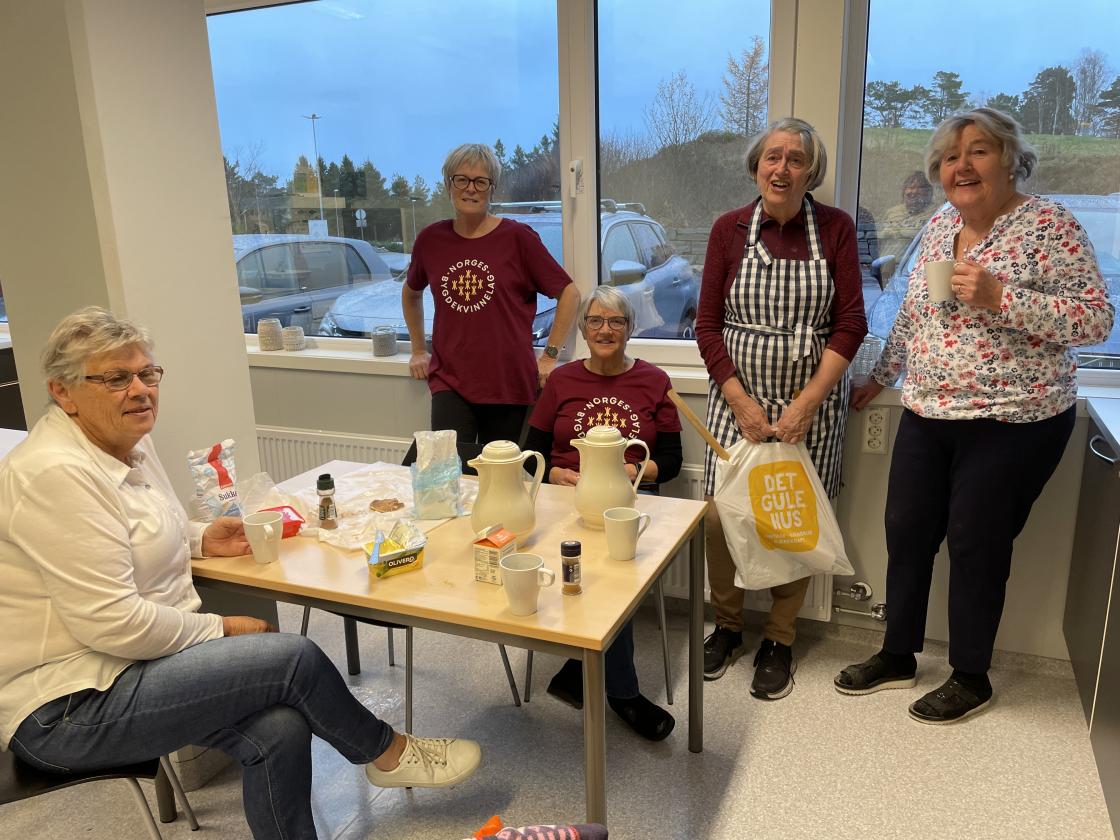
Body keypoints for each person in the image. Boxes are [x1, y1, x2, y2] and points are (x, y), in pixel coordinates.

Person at [0, 307, 481, 839]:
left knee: (279, 728)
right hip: (68, 706)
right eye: (115, 378)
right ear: (62, 393)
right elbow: (112, 623)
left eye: (147, 373)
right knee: (291, 659)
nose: (140, 390)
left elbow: (130, 533)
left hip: (131, 668)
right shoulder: (54, 474)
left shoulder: (124, 443)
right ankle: (388, 753)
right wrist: (220, 628)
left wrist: (200, 537)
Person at [834, 108, 1114, 724]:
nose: (961, 165)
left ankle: (970, 675)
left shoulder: (1050, 225)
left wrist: (999, 296)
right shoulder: (940, 225)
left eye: (979, 151)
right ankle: (898, 652)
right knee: (906, 530)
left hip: (1015, 418)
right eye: (950, 156)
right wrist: (880, 375)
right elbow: (913, 312)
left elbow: (1095, 320)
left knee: (975, 542)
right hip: (929, 408)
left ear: (1011, 159)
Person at [696, 117, 867, 699]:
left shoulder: (837, 229)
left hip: (809, 407)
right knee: (722, 519)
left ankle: (780, 637)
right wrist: (739, 400)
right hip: (736, 402)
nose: (783, 168)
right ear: (755, 167)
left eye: (796, 159)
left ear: (810, 171)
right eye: (773, 156)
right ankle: (727, 627)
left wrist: (806, 405)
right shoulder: (728, 230)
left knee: (792, 522)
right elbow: (707, 326)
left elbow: (851, 323)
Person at [522, 286, 681, 741]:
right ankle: (586, 658)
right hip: (567, 497)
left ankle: (620, 692)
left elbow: (669, 459)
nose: (605, 330)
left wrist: (629, 469)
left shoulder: (654, 380)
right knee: (558, 557)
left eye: (616, 322)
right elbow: (531, 451)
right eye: (595, 321)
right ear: (583, 329)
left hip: (630, 499)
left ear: (630, 329)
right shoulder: (563, 380)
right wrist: (554, 474)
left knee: (613, 576)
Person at [402, 143, 581, 467]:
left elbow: (569, 293)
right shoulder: (431, 240)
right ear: (448, 185)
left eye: (481, 181)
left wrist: (551, 354)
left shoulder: (518, 238)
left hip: (507, 383)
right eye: (462, 179)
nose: (471, 188)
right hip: (450, 380)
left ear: (492, 189)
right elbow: (411, 292)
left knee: (499, 478)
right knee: (445, 474)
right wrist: (418, 349)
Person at [876, 170, 936, 266]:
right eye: (910, 187)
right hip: (886, 267)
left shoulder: (935, 214)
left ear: (928, 192)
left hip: (915, 268)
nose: (914, 191)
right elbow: (878, 242)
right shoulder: (892, 213)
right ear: (904, 191)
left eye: (920, 188)